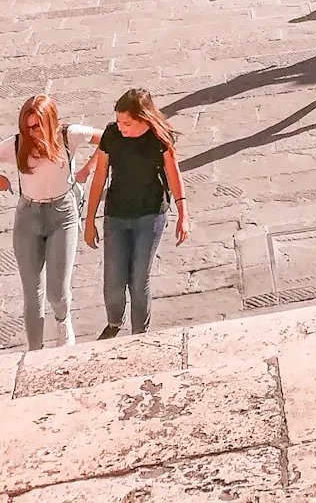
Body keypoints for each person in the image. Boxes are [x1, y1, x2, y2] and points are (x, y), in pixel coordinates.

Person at [82, 88, 189, 338]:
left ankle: (140, 332)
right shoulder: (112, 134)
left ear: (143, 119)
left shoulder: (159, 139)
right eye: (119, 121)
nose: (121, 127)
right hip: (116, 214)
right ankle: (114, 323)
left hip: (150, 214)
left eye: (127, 123)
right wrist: (89, 221)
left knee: (139, 278)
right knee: (114, 280)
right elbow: (99, 180)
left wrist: (184, 214)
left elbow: (174, 176)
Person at [1, 95, 99, 349]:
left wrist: (87, 169)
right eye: (26, 127)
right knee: (32, 294)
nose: (31, 133)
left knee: (57, 290)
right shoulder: (16, 144)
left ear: (50, 122)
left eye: (36, 126)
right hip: (28, 217)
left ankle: (63, 320)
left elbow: (109, 138)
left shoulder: (68, 135)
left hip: (62, 215)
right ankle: (35, 349)